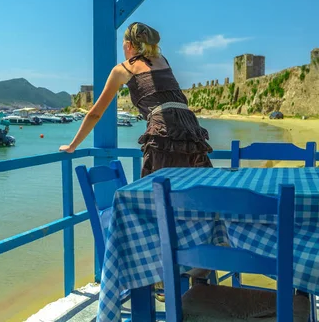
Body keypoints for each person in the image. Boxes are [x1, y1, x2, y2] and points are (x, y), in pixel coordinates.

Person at [59, 22, 214, 301]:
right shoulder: (162, 60)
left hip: (164, 132)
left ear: (128, 44)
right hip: (190, 129)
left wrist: (72, 145)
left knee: (155, 205)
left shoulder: (124, 68)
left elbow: (95, 113)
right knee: (195, 200)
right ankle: (198, 272)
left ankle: (162, 279)